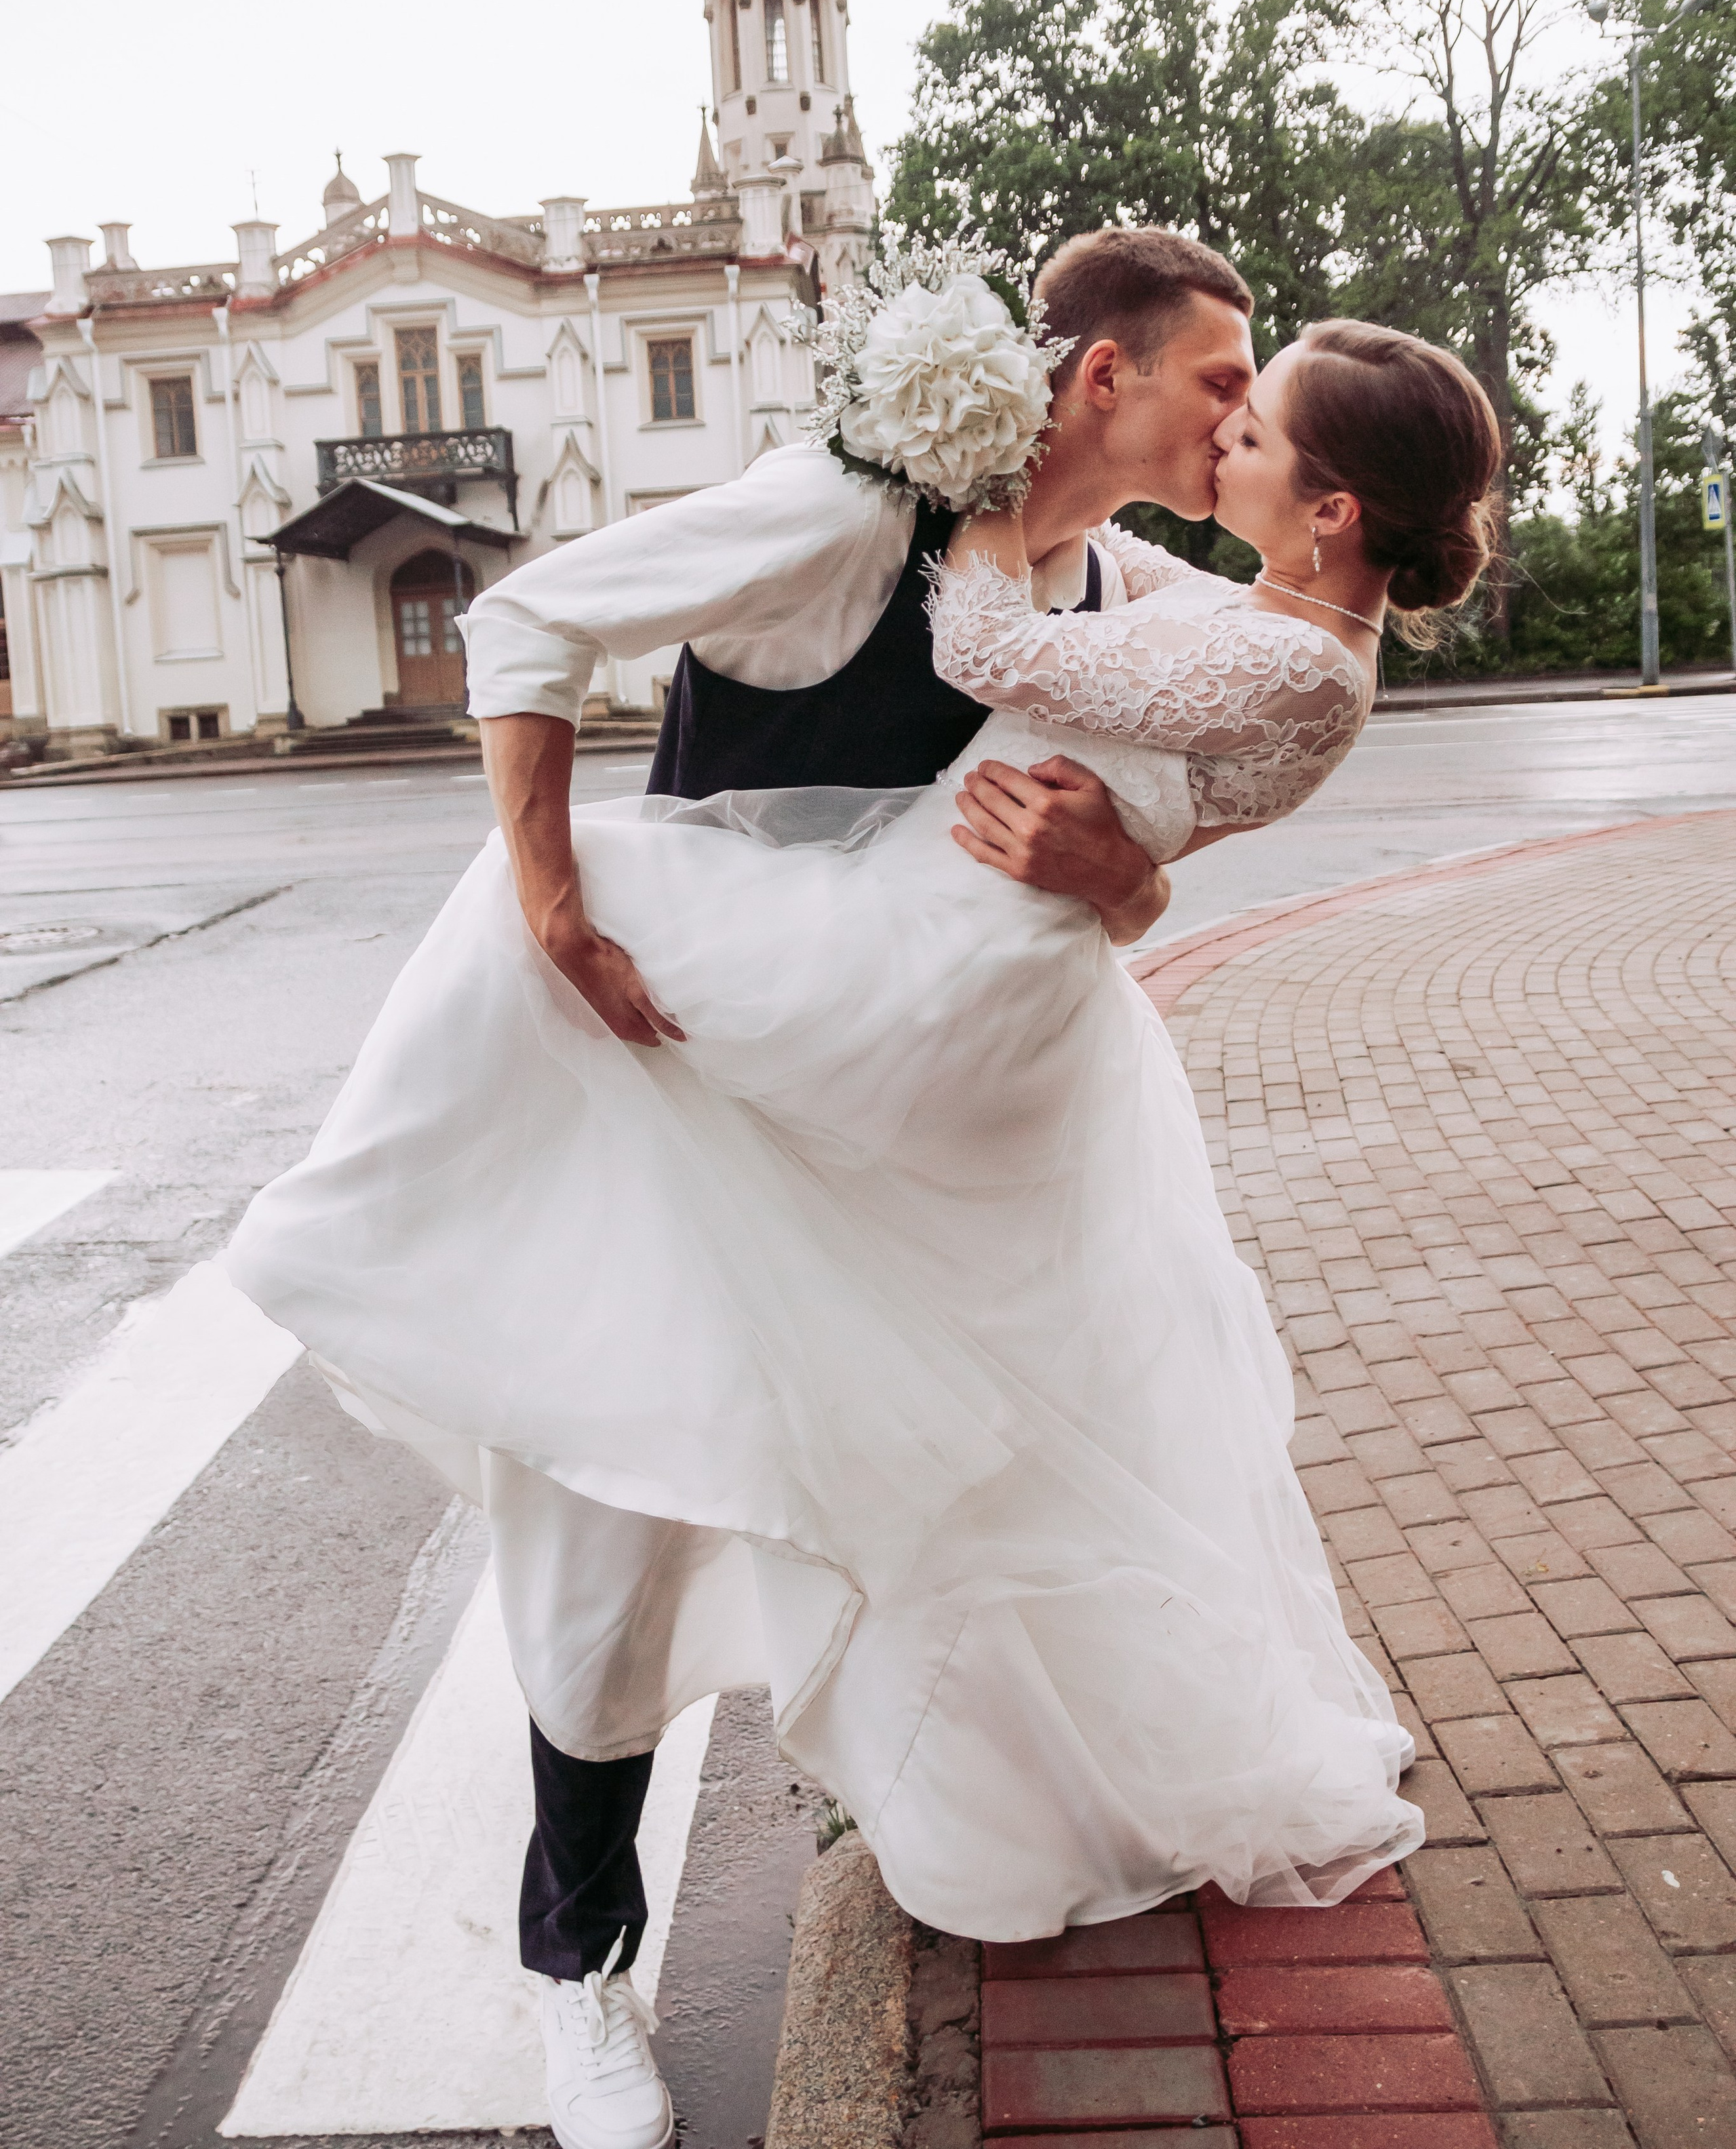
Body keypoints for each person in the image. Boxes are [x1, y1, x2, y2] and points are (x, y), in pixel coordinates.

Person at [224, 258, 1499, 2149]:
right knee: (597, 1580)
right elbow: (534, 626)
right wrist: (556, 905)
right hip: (682, 1096)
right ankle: (578, 1984)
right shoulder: (864, 513)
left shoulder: (1103, 585)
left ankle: (966, 1813)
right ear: (1102, 378)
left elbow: (1159, 790)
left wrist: (1129, 889)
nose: (1233, 420)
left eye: (1258, 403)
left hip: (942, 1160)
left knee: (923, 1519)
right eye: (1220, 382)